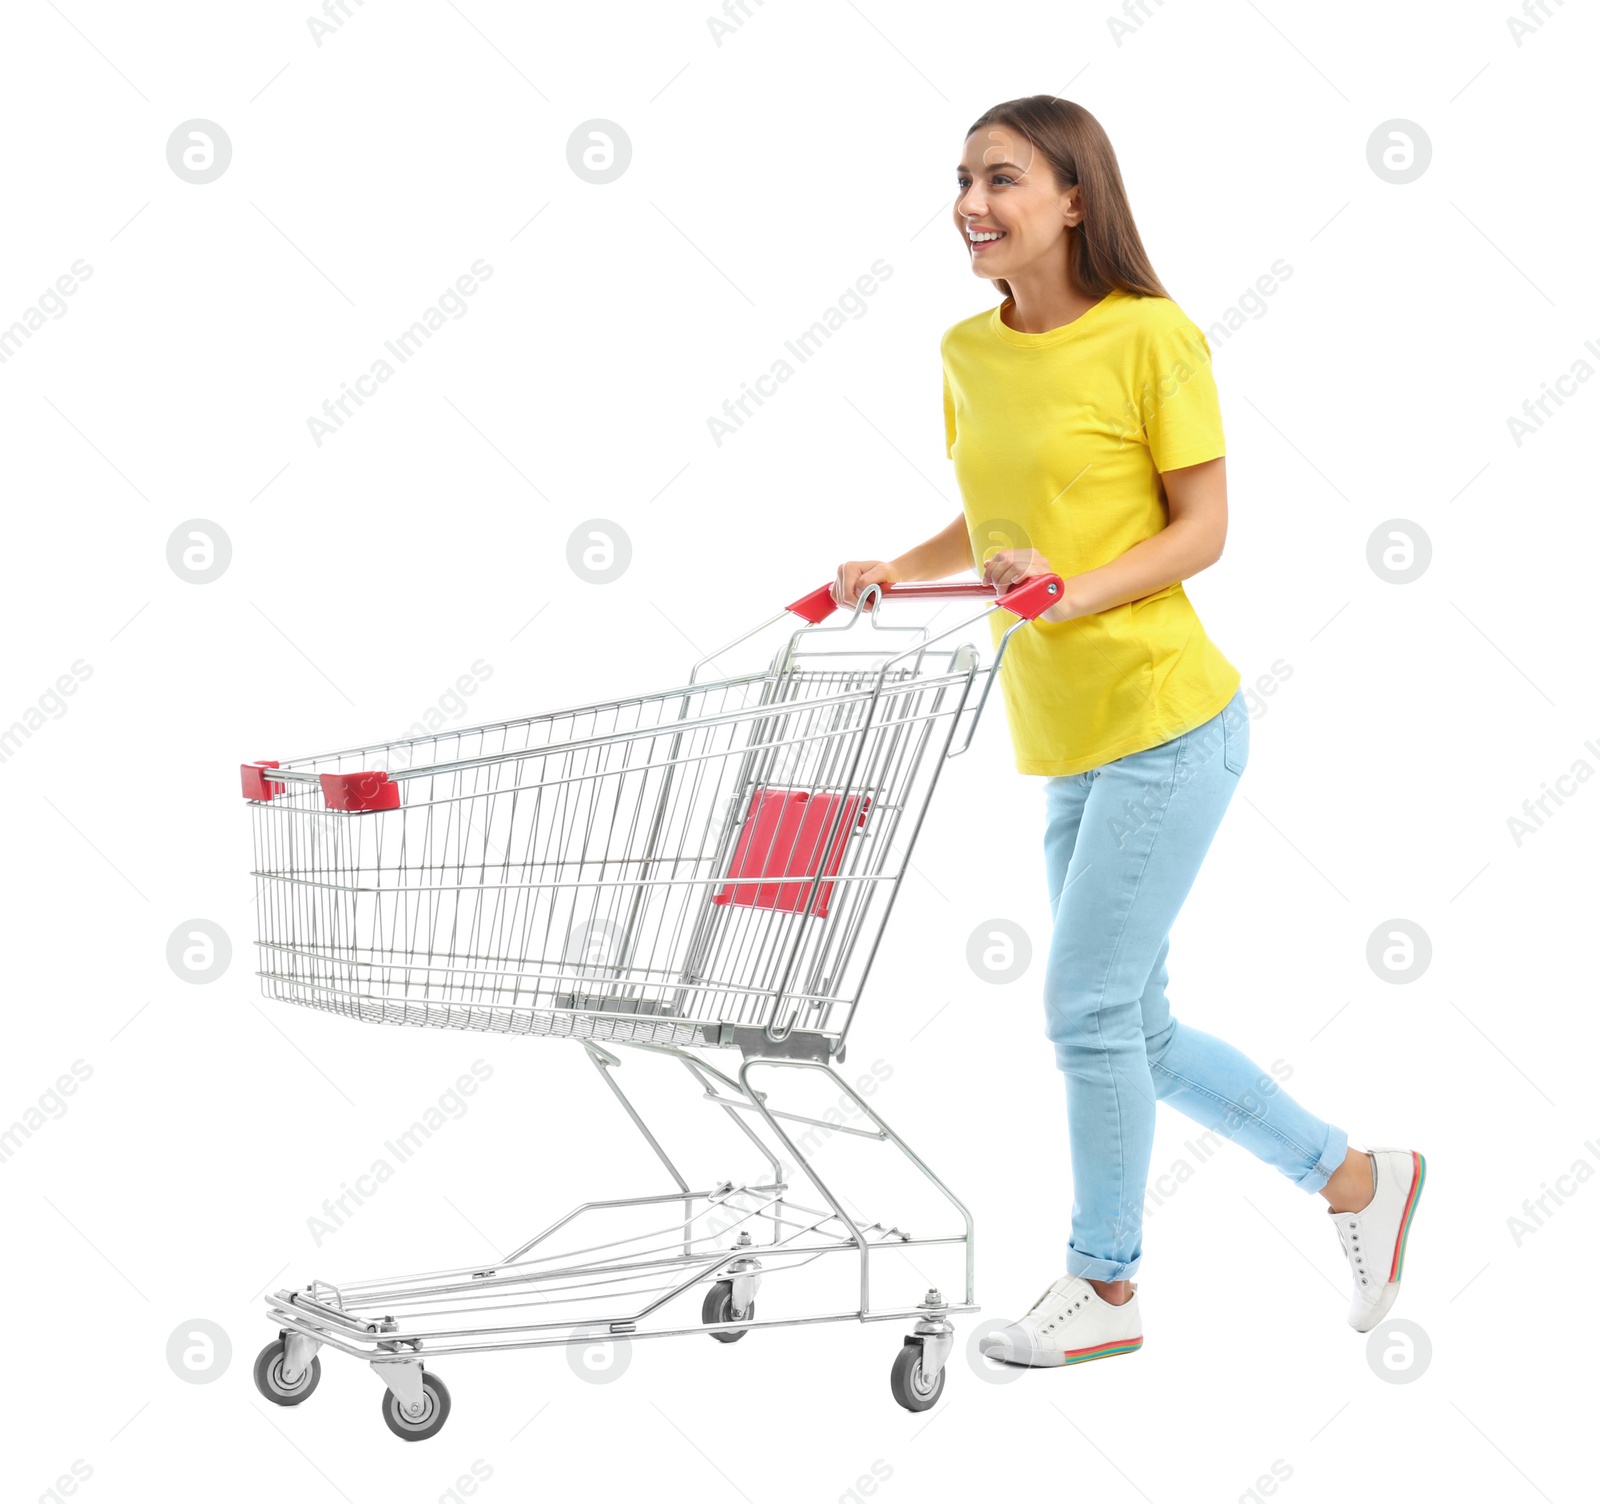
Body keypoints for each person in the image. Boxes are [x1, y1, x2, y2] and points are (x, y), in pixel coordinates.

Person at [831, 95, 1425, 1369]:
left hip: (1166, 718)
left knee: (1084, 1008)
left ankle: (1104, 1289)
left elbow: (1200, 529)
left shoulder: (1152, 337)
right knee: (1129, 1029)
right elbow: (993, 516)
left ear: (1073, 200)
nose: (970, 205)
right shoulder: (964, 350)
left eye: (1001, 180)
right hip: (1063, 732)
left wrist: (1073, 590)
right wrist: (898, 561)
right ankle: (1358, 1179)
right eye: (962, 180)